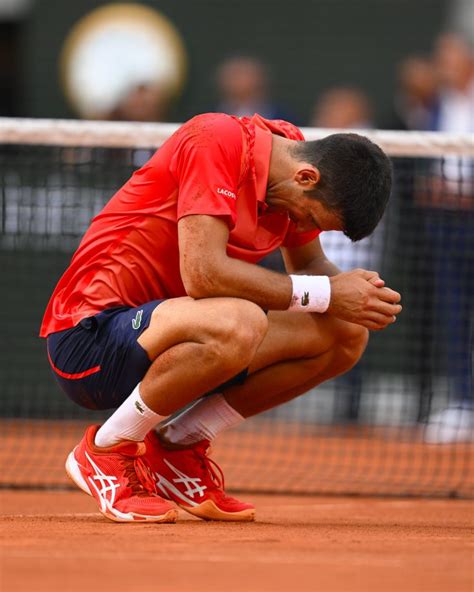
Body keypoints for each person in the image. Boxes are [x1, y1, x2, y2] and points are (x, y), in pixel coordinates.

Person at [40, 112, 401, 523]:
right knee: (240, 320)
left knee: (345, 332)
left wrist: (362, 299)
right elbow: (203, 274)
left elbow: (309, 266)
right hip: (89, 340)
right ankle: (106, 449)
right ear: (306, 178)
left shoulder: (292, 158)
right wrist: (329, 293)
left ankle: (177, 448)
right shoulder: (215, 139)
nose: (302, 225)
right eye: (313, 217)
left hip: (174, 335)